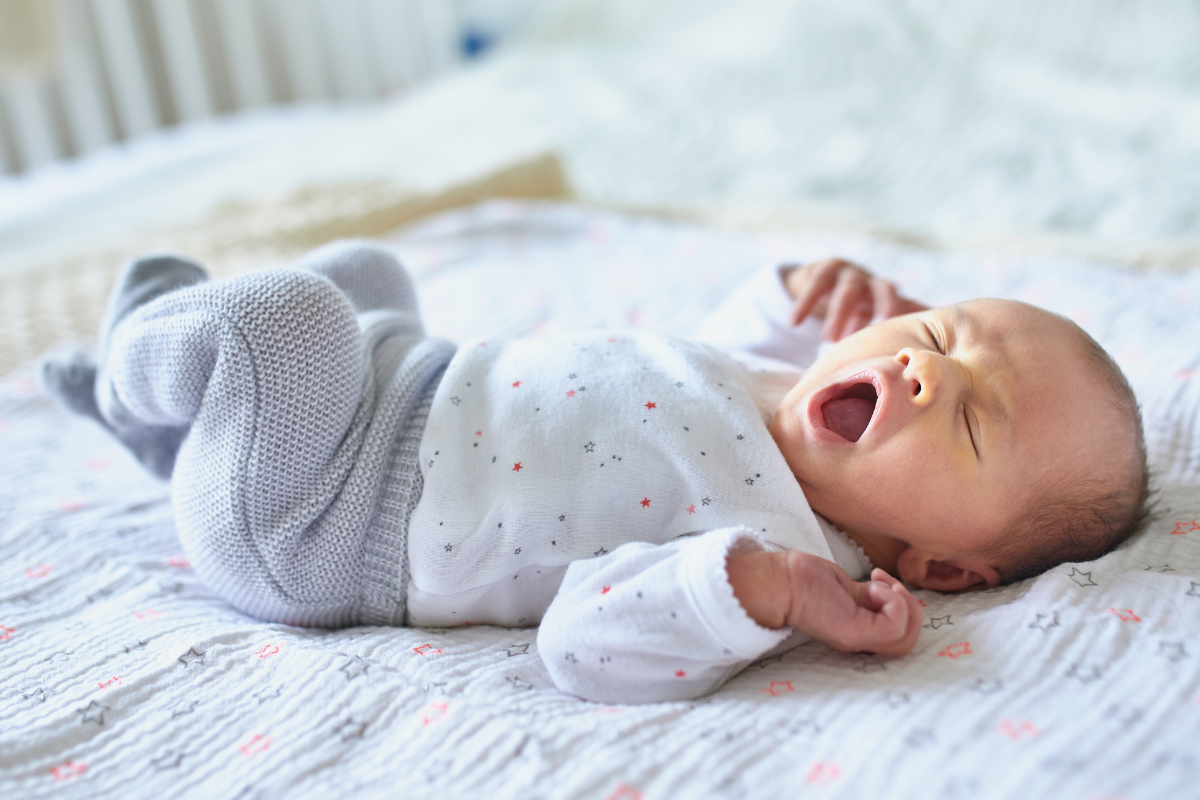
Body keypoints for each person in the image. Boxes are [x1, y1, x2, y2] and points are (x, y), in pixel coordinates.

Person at [40, 242, 1150, 704]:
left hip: (320, 518)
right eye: (942, 333)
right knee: (367, 272)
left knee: (285, 320)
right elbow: (679, 364)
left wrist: (761, 591)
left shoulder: (778, 545)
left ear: (943, 565)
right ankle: (178, 433)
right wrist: (792, 294)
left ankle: (139, 367)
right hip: (399, 387)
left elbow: (584, 644)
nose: (920, 372)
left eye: (969, 420)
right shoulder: (778, 387)